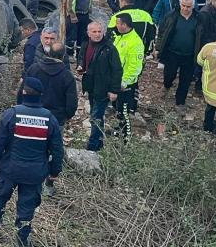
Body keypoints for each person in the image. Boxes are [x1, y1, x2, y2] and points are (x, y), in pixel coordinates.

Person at [0, 77, 63, 247]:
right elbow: (57, 149)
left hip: (9, 169)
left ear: (24, 92)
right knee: (27, 207)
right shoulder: (49, 119)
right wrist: (54, 172)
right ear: (40, 95)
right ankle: (22, 238)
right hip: (35, 174)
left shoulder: (12, 114)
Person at [19, 43, 75, 196]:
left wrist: (22, 109)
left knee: (29, 144)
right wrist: (65, 116)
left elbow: (22, 90)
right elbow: (72, 103)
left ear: (47, 53)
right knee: (54, 150)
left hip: (32, 113)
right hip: (56, 119)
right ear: (64, 56)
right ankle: (48, 184)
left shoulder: (34, 69)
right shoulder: (67, 75)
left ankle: (26, 177)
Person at [156, 0, 214, 108]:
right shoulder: (172, 15)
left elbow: (203, 36)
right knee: (169, 75)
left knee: (185, 80)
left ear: (193, 6)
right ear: (180, 4)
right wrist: (158, 47)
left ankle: (180, 102)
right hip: (172, 53)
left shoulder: (199, 18)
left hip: (190, 55)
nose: (185, 8)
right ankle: (167, 86)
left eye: (188, 6)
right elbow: (162, 31)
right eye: (183, 5)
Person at [76, 21, 122, 152]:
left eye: (99, 31)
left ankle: (92, 146)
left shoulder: (109, 48)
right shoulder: (85, 44)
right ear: (88, 33)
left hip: (103, 88)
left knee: (95, 117)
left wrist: (114, 90)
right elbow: (81, 59)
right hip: (91, 86)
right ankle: (99, 142)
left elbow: (117, 70)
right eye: (94, 32)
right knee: (96, 115)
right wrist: (80, 66)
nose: (97, 34)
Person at [111, 13, 144, 142]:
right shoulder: (121, 37)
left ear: (124, 25)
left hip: (126, 85)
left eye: (118, 23)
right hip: (116, 82)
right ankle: (118, 131)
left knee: (124, 112)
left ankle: (126, 138)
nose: (116, 25)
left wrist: (124, 82)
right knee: (118, 109)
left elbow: (134, 67)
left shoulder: (135, 42)